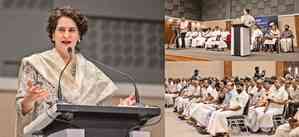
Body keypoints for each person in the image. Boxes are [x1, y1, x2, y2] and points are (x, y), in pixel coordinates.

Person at [15, 6, 133, 137]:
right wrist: (29, 100)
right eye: (61, 30)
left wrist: (121, 110)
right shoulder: (35, 64)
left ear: (79, 36)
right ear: (53, 35)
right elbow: (23, 110)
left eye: (71, 30)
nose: (66, 35)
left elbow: (99, 116)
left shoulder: (92, 72)